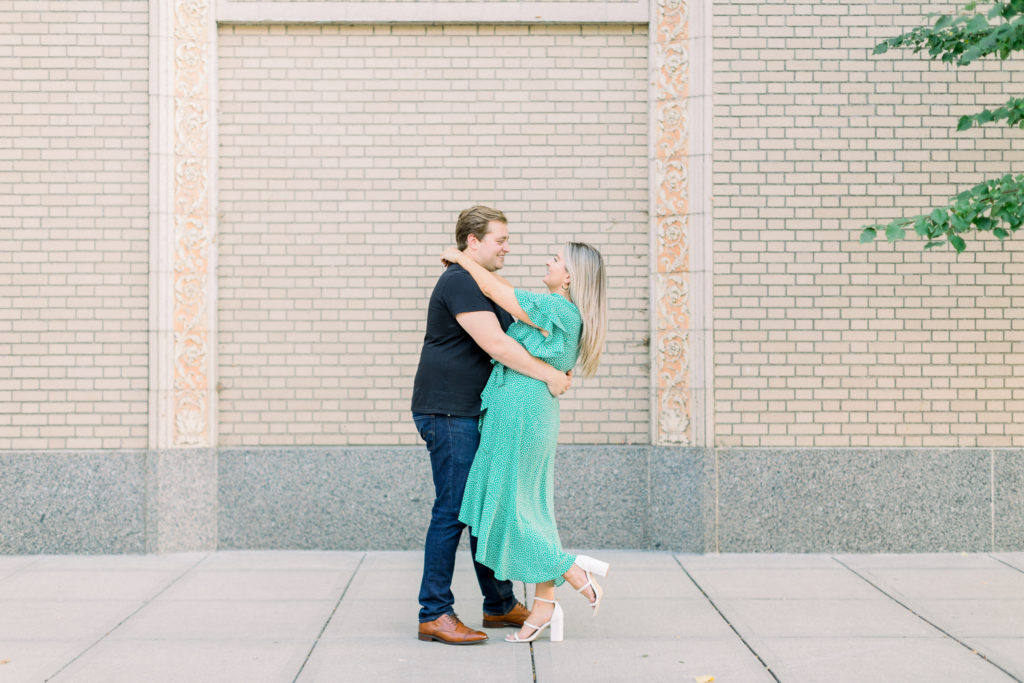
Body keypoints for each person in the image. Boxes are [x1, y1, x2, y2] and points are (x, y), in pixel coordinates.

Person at [412, 206, 574, 645]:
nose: (508, 246)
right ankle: (435, 612)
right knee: (454, 508)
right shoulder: (459, 282)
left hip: (474, 410)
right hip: (448, 412)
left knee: (487, 502)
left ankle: (499, 604)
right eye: (500, 239)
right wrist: (551, 375)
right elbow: (497, 344)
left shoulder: (480, 283)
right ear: (473, 241)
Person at [439, 240, 610, 644]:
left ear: (569, 277)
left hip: (520, 411)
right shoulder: (562, 311)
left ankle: (572, 570)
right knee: (531, 507)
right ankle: (544, 607)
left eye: (556, 260)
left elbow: (497, 292)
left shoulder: (555, 307)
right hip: (528, 410)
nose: (548, 263)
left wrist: (462, 257)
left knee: (510, 506)